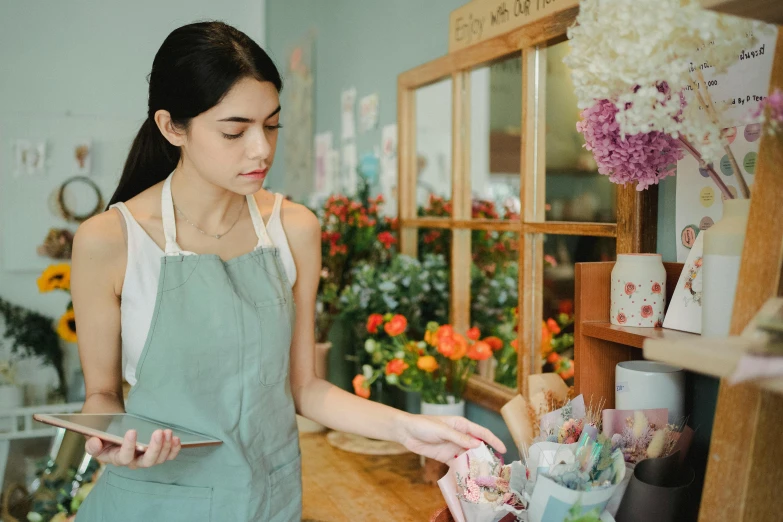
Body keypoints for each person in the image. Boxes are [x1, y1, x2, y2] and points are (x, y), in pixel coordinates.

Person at [71, 21, 506, 521]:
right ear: (172, 127)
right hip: (152, 501)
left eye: (272, 125)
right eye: (235, 130)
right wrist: (108, 437)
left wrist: (407, 428)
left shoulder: (292, 228)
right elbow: (101, 395)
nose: (261, 149)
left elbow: (304, 387)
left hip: (266, 501)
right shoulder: (109, 240)